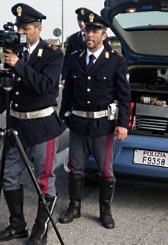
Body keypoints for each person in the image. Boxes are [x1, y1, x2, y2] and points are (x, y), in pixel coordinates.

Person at [0, 3, 66, 244]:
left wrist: (18, 64)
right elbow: (8, 86)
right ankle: (17, 224)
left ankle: (40, 232)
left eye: (27, 27)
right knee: (8, 176)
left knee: (44, 180)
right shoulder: (13, 52)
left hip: (42, 126)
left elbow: (45, 86)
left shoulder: (52, 54)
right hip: (17, 126)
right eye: (20, 27)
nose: (22, 31)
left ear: (38, 29)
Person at [58, 11, 130, 229]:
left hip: (103, 126)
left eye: (95, 31)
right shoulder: (74, 58)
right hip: (78, 124)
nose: (90, 34)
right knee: (76, 169)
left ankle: (105, 211)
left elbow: (124, 96)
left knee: (106, 171)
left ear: (103, 35)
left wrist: (122, 123)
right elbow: (68, 91)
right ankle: (74, 207)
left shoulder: (116, 61)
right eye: (87, 30)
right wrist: (63, 116)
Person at [61, 7, 112, 85]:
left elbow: (108, 55)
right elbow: (67, 60)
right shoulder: (73, 38)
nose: (81, 24)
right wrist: (64, 77)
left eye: (83, 21)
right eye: (79, 20)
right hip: (78, 77)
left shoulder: (101, 37)